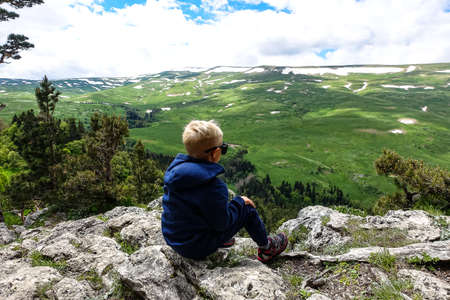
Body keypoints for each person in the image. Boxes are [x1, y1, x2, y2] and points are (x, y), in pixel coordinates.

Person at [161, 120, 287, 262]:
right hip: (197, 247)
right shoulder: (213, 186)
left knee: (211, 207)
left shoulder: (174, 173)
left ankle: (216, 238)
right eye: (223, 148)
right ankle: (267, 248)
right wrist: (239, 202)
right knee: (246, 208)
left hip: (174, 239)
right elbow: (222, 223)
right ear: (215, 153)